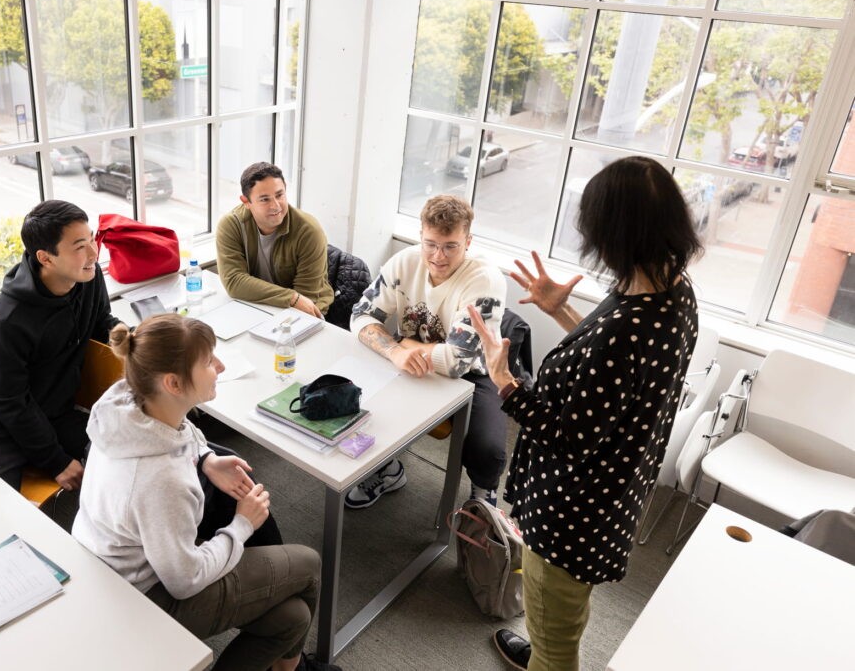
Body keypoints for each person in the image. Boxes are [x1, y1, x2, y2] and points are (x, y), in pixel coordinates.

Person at [468, 157, 701, 671]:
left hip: (573, 506)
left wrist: (504, 380)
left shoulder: (628, 327)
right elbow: (616, 381)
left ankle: (549, 655)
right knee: (563, 604)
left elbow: (569, 437)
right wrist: (560, 312)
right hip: (612, 492)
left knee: (556, 626)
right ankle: (547, 640)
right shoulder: (671, 289)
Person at [73, 315, 339, 671]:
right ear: (174, 383)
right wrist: (242, 524)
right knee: (308, 564)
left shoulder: (127, 400)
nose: (220, 366)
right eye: (208, 361)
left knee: (291, 618)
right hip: (144, 596)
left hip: (111, 565)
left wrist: (206, 458)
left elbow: (182, 431)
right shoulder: (159, 480)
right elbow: (185, 581)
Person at [348, 195, 507, 508]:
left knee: (487, 449)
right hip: (408, 360)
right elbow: (360, 316)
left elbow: (456, 362)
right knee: (360, 401)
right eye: (430, 244)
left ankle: (482, 494)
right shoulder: (404, 262)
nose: (438, 256)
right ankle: (387, 470)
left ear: (468, 241)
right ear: (420, 236)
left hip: (476, 372)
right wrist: (395, 351)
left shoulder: (485, 280)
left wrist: (406, 344)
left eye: (451, 246)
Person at [0, 200, 119, 492]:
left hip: (52, 411)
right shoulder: (5, 322)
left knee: (131, 448)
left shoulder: (88, 277)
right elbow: (9, 402)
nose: (94, 252)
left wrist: (129, 337)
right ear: (46, 258)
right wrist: (55, 461)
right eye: (80, 246)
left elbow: (100, 321)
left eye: (92, 239)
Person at [217, 161, 333, 319]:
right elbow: (234, 282)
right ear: (246, 202)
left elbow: (306, 300)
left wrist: (293, 301)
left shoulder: (309, 231)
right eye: (265, 199)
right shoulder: (231, 225)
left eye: (280, 195)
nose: (276, 206)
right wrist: (291, 298)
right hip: (257, 308)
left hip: (305, 315)